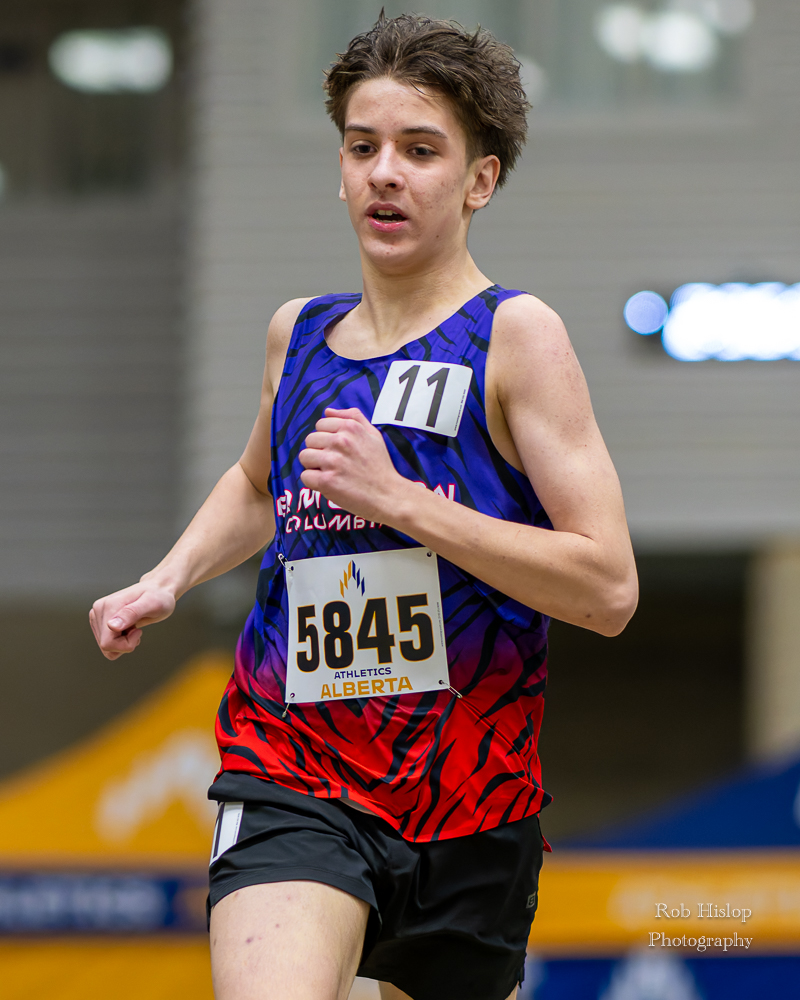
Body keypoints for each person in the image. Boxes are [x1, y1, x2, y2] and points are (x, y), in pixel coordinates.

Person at [90, 13, 638, 1000]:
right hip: (291, 768)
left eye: (419, 150)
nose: (385, 173)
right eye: (362, 147)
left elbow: (606, 589)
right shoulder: (296, 335)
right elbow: (257, 484)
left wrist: (401, 501)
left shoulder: (514, 338)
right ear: (340, 169)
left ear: (478, 181)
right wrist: (167, 578)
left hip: (471, 799)